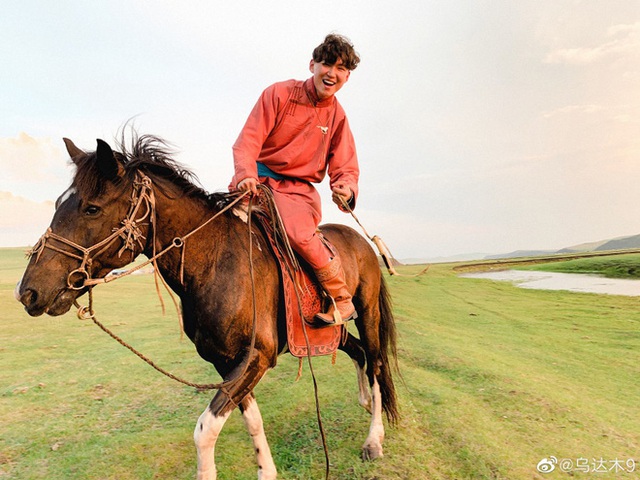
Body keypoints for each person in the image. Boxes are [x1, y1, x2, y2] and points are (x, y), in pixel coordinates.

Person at [230, 33, 361, 325]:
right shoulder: (277, 93)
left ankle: (341, 299)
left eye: (340, 68)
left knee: (298, 234)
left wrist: (345, 188)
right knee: (220, 225)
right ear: (312, 64)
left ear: (347, 77)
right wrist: (245, 174)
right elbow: (248, 141)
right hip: (254, 182)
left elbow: (345, 166)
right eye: (327, 63)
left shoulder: (338, 118)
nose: (332, 73)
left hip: (296, 192)